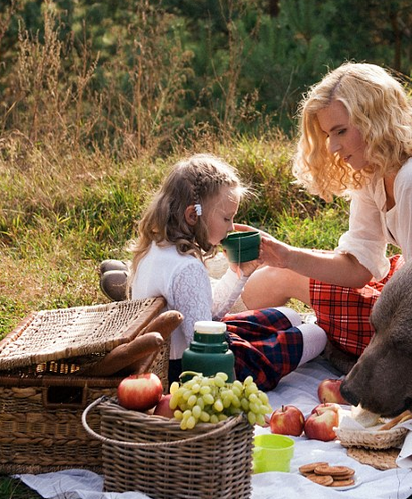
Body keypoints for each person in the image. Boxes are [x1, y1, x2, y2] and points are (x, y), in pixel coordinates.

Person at [240, 62, 412, 367]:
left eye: (341, 131)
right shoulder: (374, 169)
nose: (332, 147)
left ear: (374, 120)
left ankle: (225, 337)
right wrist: (287, 256)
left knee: (284, 281)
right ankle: (233, 329)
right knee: (280, 274)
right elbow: (359, 268)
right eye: (328, 135)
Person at [126, 153, 327, 389]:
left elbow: (204, 316)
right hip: (198, 369)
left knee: (289, 316)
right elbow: (204, 346)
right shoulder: (187, 268)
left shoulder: (154, 248)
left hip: (188, 351)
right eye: (226, 218)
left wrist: (238, 273)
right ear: (193, 215)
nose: (231, 227)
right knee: (316, 334)